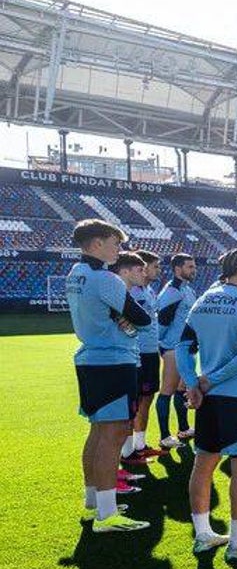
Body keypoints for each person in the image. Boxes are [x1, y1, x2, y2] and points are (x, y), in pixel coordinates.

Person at [176, 249, 237, 561]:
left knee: (204, 463)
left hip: (208, 400)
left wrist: (193, 382)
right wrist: (205, 381)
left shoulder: (202, 301)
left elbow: (182, 346)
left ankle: (203, 535)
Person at [67, 219, 151, 532]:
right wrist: (122, 317)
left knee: (98, 432)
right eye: (116, 242)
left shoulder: (76, 273)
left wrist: (117, 316)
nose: (120, 249)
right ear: (98, 243)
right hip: (114, 361)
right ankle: (107, 514)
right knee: (113, 435)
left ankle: (94, 505)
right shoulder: (106, 279)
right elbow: (141, 318)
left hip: (90, 359)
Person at [121, 250, 167, 468]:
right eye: (155, 266)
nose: (158, 270)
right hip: (138, 353)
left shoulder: (148, 290)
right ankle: (128, 451)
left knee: (146, 398)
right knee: (136, 402)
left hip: (150, 351)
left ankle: (139, 445)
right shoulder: (133, 292)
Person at [156, 253, 197, 449]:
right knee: (167, 391)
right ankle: (164, 436)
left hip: (186, 347)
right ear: (177, 269)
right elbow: (162, 322)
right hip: (173, 347)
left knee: (181, 390)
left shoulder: (188, 290)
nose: (193, 270)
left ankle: (184, 428)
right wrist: (163, 346)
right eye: (189, 267)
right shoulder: (171, 291)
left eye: (193, 266)